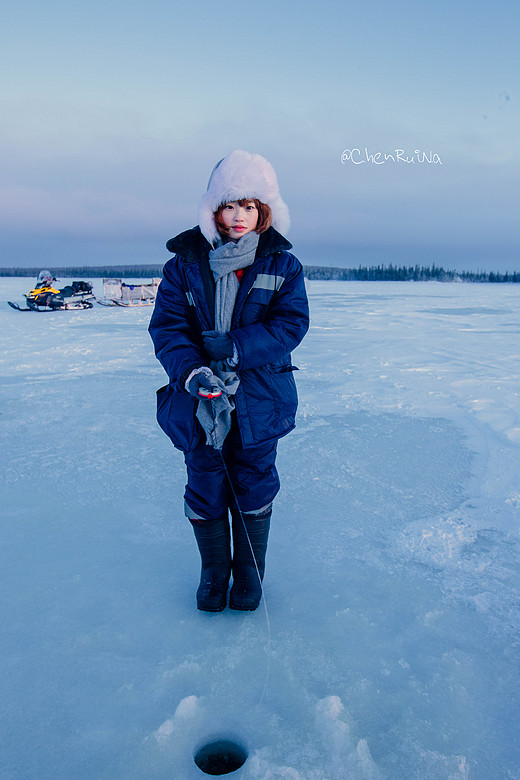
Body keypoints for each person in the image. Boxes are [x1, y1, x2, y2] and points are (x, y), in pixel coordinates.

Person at [149, 150, 309, 612]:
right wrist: (193, 371)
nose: (239, 216)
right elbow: (168, 329)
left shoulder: (282, 265)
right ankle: (213, 574)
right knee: (205, 483)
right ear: (213, 210)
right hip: (200, 400)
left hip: (260, 400)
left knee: (255, 482)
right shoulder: (184, 264)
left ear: (263, 212)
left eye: (250, 206)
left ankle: (249, 577)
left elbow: (291, 326)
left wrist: (236, 346)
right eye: (230, 205)